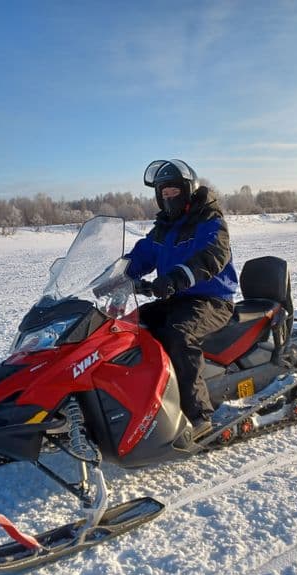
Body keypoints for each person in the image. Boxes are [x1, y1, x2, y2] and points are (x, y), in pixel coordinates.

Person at [126, 159, 238, 439]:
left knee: (177, 334)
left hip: (211, 299)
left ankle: (197, 415)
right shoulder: (164, 227)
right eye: (164, 193)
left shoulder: (209, 220)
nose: (169, 197)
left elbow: (212, 256)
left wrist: (176, 278)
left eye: (174, 191)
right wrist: (115, 274)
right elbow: (142, 255)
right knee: (129, 327)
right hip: (175, 298)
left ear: (188, 190)